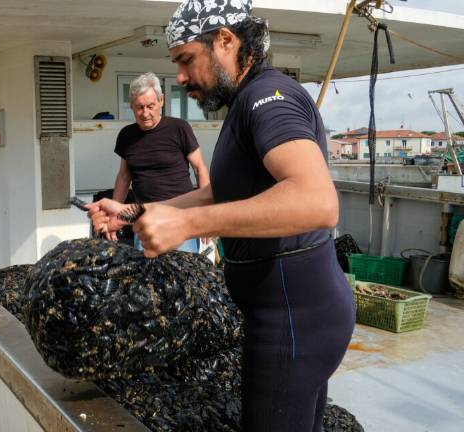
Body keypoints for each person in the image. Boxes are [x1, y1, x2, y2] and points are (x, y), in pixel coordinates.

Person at [87, 1, 355, 430]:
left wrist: (189, 225)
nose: (179, 76)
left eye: (186, 59)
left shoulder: (269, 98)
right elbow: (217, 193)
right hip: (288, 312)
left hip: (293, 318)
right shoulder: (246, 100)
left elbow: (317, 202)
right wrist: (132, 212)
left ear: (226, 42)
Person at [107, 72, 209, 252]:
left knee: (182, 276)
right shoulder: (126, 136)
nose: (145, 113)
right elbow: (124, 177)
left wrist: (206, 214)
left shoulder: (179, 128)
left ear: (161, 101)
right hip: (144, 219)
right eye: (139, 107)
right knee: (148, 278)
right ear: (131, 106)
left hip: (179, 217)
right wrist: (114, 213)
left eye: (150, 106)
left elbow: (199, 168)